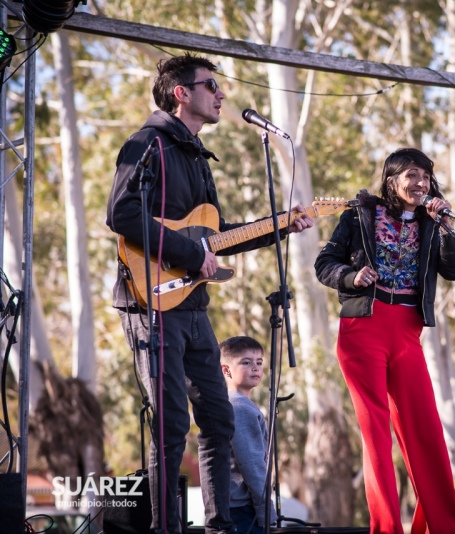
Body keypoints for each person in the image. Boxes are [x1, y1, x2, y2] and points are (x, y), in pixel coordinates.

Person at [106, 53, 313, 534]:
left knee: (219, 420)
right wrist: (187, 252)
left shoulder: (198, 156)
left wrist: (281, 226)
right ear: (182, 93)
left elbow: (215, 237)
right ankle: (167, 529)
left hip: (193, 304)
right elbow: (122, 213)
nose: (221, 95)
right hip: (150, 301)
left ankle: (220, 526)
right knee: (172, 424)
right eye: (212, 86)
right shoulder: (148, 143)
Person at [314, 148, 455, 533]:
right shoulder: (359, 214)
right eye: (412, 175)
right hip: (363, 328)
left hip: (407, 330)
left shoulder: (434, 223)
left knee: (426, 430)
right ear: (391, 180)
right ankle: (386, 528)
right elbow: (324, 264)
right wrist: (352, 278)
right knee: (377, 436)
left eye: (426, 177)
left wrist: (449, 227)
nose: (420, 184)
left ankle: (446, 526)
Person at [219, 336, 275, 534]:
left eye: (259, 363)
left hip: (231, 506)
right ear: (225, 370)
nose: (255, 368)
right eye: (246, 362)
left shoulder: (230, 404)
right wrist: (267, 511)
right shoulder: (240, 408)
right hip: (242, 510)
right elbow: (251, 464)